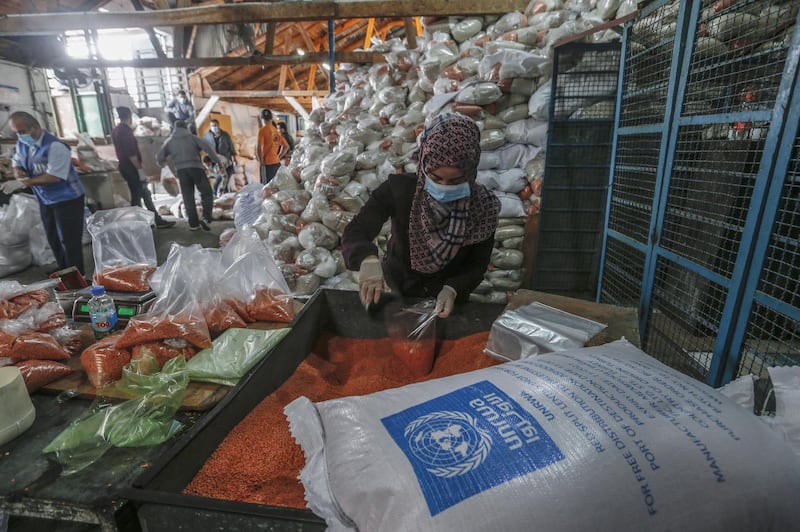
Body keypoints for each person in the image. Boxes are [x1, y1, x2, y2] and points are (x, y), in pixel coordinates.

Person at [342, 113, 500, 318]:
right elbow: (357, 230)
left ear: (471, 173)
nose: (443, 188)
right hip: (396, 286)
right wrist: (368, 259)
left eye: (455, 181)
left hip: (446, 300)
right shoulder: (399, 190)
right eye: (435, 178)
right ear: (423, 165)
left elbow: (477, 264)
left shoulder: (483, 207)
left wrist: (453, 288)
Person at [6, 111, 87, 274]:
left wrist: (25, 182)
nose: (20, 136)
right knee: (53, 237)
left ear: (35, 127)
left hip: (68, 199)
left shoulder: (55, 146)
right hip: (45, 199)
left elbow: (55, 177)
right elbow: (17, 161)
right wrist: (18, 172)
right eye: (16, 132)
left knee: (69, 240)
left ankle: (77, 275)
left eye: (22, 132)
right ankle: (64, 268)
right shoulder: (23, 143)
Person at [111, 106, 175, 229]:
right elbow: (131, 153)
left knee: (145, 193)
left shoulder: (116, 130)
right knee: (136, 196)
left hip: (125, 166)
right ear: (129, 117)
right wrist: (139, 169)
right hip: (131, 168)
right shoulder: (125, 131)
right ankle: (138, 224)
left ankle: (156, 220)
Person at [156, 120, 219, 231]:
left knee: (188, 197)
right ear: (186, 127)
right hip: (196, 168)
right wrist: (217, 161)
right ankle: (206, 218)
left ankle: (193, 224)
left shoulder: (170, 141)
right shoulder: (193, 138)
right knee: (207, 192)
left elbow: (160, 157)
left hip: (181, 171)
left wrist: (163, 164)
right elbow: (208, 148)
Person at [202, 118, 237, 195]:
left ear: (218, 125)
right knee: (216, 184)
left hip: (225, 161)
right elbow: (205, 148)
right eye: (212, 126)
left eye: (215, 125)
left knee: (224, 184)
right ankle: (218, 197)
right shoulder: (207, 137)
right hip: (215, 161)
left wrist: (234, 157)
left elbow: (231, 146)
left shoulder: (225, 135)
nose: (214, 127)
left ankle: (225, 198)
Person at [257, 109, 288, 184]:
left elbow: (259, 148)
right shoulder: (276, 131)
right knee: (276, 184)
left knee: (267, 186)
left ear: (262, 119)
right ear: (271, 119)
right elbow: (286, 146)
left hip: (267, 164)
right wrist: (279, 156)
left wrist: (261, 161)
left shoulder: (262, 130)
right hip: (276, 163)